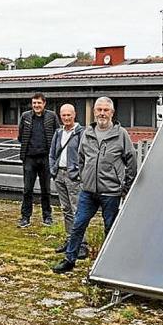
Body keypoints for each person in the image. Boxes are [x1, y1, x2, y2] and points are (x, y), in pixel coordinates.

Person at [52, 97, 137, 274]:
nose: (102, 113)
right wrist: (83, 177)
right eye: (99, 110)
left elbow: (131, 160)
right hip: (88, 191)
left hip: (111, 192)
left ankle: (110, 263)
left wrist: (126, 186)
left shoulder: (121, 135)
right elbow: (81, 158)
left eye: (106, 110)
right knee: (78, 224)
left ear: (112, 113)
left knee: (110, 228)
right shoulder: (87, 133)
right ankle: (70, 259)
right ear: (94, 112)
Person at [49, 103, 88, 259]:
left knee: (77, 210)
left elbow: (86, 156)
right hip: (59, 175)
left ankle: (82, 244)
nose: (66, 118)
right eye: (63, 115)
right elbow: (52, 153)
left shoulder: (81, 133)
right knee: (66, 209)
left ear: (74, 115)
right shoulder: (58, 133)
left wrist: (78, 174)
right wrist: (53, 169)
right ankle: (70, 240)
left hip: (74, 177)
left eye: (68, 115)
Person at [17, 92, 58, 228]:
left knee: (46, 190)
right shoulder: (25, 116)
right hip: (29, 158)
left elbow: (57, 134)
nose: (36, 105)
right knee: (27, 189)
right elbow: (20, 136)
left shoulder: (51, 116)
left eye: (39, 103)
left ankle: (47, 216)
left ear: (44, 103)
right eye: (34, 103)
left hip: (46, 158)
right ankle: (25, 217)